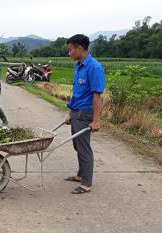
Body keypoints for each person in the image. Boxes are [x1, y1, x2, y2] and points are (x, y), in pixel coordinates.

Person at [64, 34, 105, 194]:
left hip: (86, 113)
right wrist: (69, 111)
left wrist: (96, 120)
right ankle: (81, 175)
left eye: (70, 50)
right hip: (76, 111)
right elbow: (77, 92)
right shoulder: (78, 65)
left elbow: (97, 96)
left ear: (80, 48)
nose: (69, 53)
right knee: (77, 145)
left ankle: (86, 183)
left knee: (83, 147)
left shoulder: (94, 68)